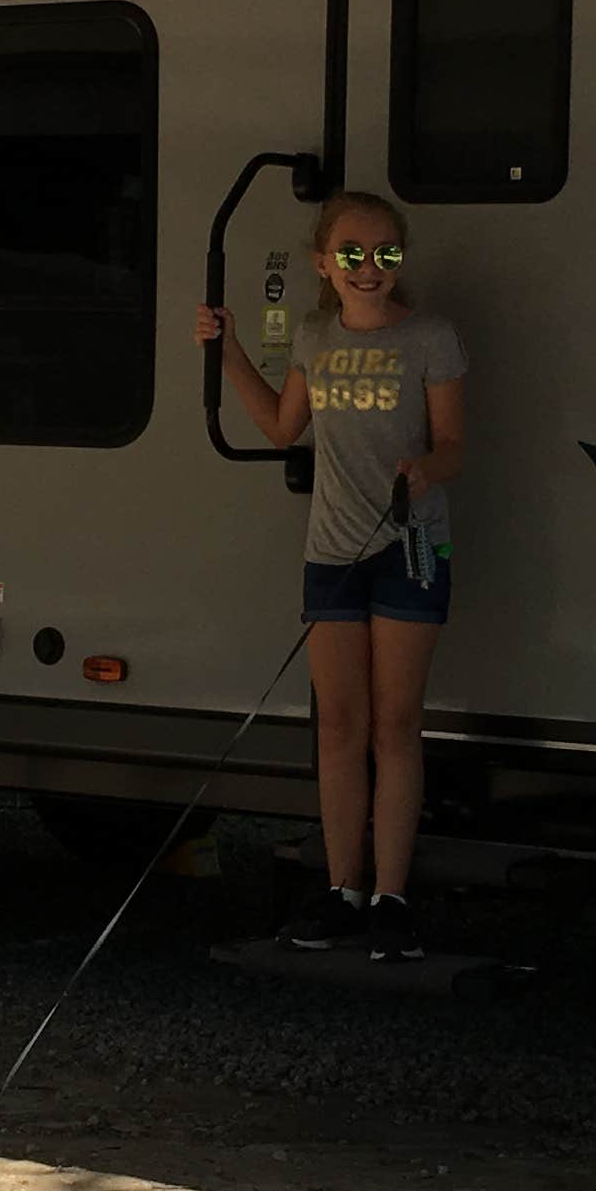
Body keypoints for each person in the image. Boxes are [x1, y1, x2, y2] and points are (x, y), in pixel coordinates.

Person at [196, 190, 467, 959]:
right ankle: (342, 889)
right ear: (324, 263)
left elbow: (455, 445)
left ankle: (391, 896)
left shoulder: (432, 337)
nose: (370, 269)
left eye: (386, 255)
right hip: (332, 553)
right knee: (341, 728)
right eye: (352, 254)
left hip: (412, 548)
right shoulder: (315, 336)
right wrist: (228, 351)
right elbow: (284, 428)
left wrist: (425, 470)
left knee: (395, 725)